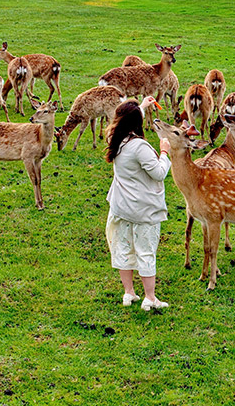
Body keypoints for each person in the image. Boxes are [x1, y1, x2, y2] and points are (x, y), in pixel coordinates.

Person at [105, 97, 172, 311]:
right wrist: (164, 151)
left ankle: (129, 293)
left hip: (121, 206)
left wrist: (141, 107)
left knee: (123, 248)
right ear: (136, 123)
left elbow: (127, 120)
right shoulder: (139, 146)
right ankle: (150, 298)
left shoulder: (115, 139)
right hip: (142, 209)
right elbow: (159, 173)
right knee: (145, 251)